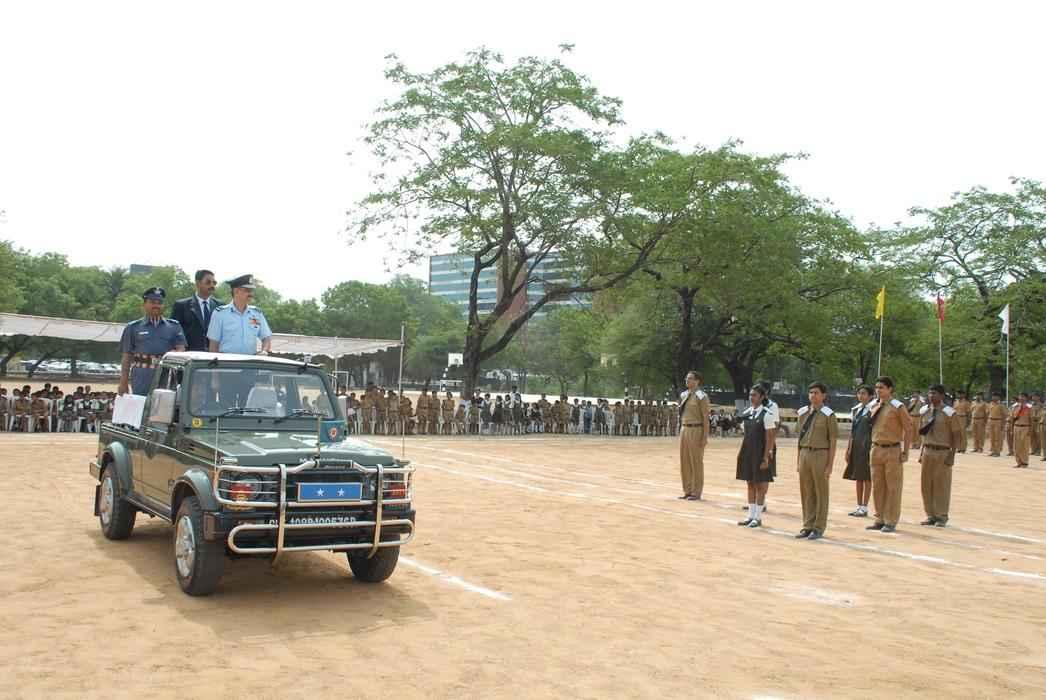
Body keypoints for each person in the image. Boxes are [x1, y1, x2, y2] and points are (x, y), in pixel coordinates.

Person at [118, 287, 187, 396]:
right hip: (142, 375)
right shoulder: (133, 327)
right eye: (152, 302)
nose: (156, 305)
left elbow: (181, 349)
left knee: (165, 404)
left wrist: (174, 355)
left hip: (166, 374)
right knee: (142, 403)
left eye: (159, 303)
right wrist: (123, 382)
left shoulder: (174, 326)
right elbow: (126, 356)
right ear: (144, 304)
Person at [866, 376, 912, 534]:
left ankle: (891, 520)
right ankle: (879, 518)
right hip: (876, 448)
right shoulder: (874, 405)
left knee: (893, 487)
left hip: (892, 449)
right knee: (878, 486)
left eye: (882, 387)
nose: (878, 390)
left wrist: (905, 451)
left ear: (890, 389)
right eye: (877, 387)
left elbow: (908, 429)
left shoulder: (898, 407)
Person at [795, 382, 838, 540]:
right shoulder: (803, 413)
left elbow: (833, 441)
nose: (813, 395)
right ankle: (807, 525)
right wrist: (798, 460)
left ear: (823, 395)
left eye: (816, 392)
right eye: (811, 392)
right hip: (805, 453)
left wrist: (830, 465)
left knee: (821, 492)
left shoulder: (828, 415)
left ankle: (818, 527)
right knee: (806, 491)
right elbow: (800, 438)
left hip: (820, 454)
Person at [918, 384, 962, 526]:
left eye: (935, 393)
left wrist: (952, 455)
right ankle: (930, 515)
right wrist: (921, 452)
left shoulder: (949, 412)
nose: (931, 396)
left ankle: (941, 516)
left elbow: (956, 434)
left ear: (942, 395)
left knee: (941, 485)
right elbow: (923, 434)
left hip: (942, 451)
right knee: (926, 484)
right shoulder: (924, 411)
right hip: (927, 451)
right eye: (930, 393)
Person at [736, 385, 777, 528]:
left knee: (760, 485)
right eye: (750, 395)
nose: (751, 398)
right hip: (748, 452)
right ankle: (750, 516)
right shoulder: (747, 413)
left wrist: (766, 457)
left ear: (762, 397)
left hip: (760, 453)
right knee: (750, 483)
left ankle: (758, 517)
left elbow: (770, 438)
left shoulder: (767, 414)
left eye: (754, 395)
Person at [206, 274, 273, 355]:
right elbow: (213, 345)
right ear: (236, 291)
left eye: (251, 291)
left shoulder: (257, 313)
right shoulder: (220, 314)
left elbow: (266, 338)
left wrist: (264, 351)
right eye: (247, 290)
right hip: (227, 362)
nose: (251, 294)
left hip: (250, 362)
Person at [678, 371, 711, 500]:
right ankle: (687, 490)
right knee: (684, 461)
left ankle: (696, 492)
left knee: (696, 462)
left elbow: (705, 417)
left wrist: (704, 437)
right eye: (686, 378)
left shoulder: (701, 396)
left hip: (696, 429)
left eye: (690, 378)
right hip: (684, 429)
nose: (687, 380)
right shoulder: (683, 395)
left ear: (697, 381)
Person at [843, 384, 874, 517]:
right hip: (856, 446)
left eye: (864, 393)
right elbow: (852, 431)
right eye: (859, 393)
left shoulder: (874, 409)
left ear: (871, 396)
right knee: (857, 476)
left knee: (867, 477)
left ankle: (865, 506)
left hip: (867, 446)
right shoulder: (855, 410)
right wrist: (848, 449)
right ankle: (859, 505)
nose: (861, 396)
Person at [171, 269, 221, 351]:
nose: (212, 285)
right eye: (208, 282)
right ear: (198, 283)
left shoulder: (220, 306)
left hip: (214, 355)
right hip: (190, 354)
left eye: (214, 283)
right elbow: (174, 332)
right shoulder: (181, 306)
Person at [1010, 392, 1034, 469]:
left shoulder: (1029, 407)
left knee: (1024, 446)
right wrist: (1011, 429)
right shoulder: (1015, 406)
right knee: (1016, 446)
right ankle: (1018, 462)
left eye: (1023, 397)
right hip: (1016, 427)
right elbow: (1012, 418)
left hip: (1025, 427)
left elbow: (1031, 420)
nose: (1021, 398)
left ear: (1026, 398)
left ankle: (1024, 462)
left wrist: (1030, 430)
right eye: (1020, 396)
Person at [987, 392, 1006, 457]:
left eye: (996, 396)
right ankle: (993, 451)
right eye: (993, 396)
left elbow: (1004, 415)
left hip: (998, 421)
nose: (994, 397)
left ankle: (997, 452)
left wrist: (1003, 424)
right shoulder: (990, 404)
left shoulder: (1001, 405)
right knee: (992, 437)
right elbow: (988, 413)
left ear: (998, 397)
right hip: (991, 421)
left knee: (997, 437)